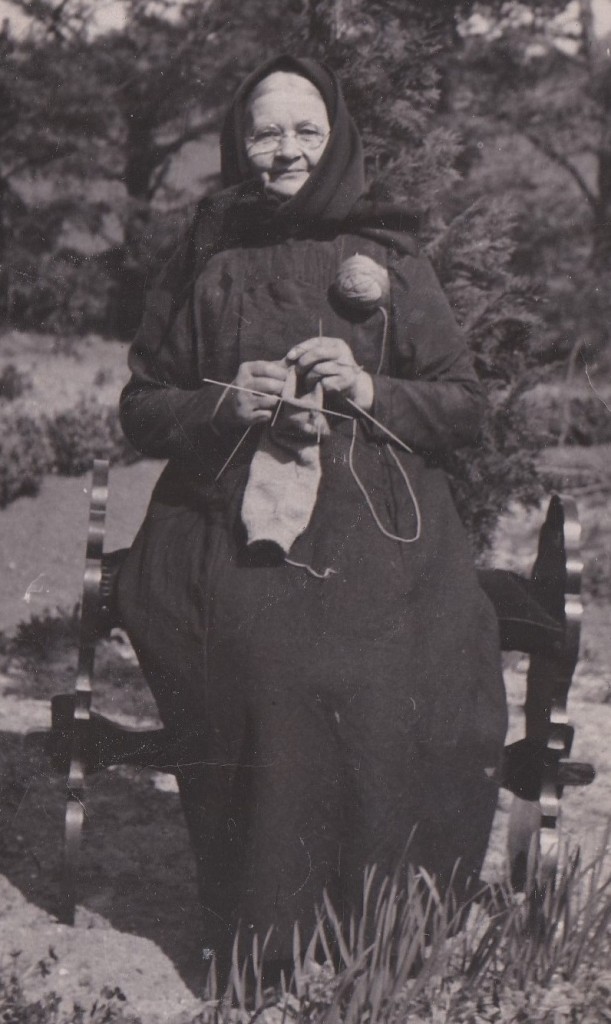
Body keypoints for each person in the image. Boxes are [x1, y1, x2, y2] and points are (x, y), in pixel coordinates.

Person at [117, 54, 507, 976]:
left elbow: (463, 404)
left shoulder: (392, 256)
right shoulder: (207, 252)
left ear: (335, 141)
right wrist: (222, 405)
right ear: (236, 142)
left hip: (377, 516)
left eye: (304, 131)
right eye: (263, 131)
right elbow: (140, 405)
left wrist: (371, 386)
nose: (282, 151)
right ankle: (267, 942)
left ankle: (379, 936)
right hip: (229, 517)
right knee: (262, 656)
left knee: (386, 668)